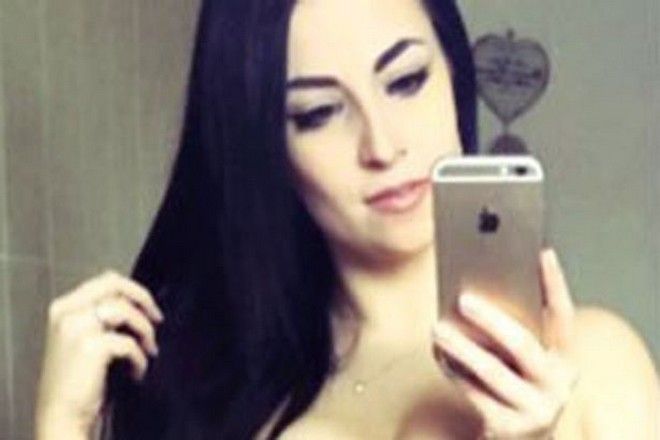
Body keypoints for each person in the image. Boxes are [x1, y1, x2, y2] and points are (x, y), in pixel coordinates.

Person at [35, 0, 660, 438]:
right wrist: (61, 425)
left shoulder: (592, 365)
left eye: (406, 81)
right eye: (318, 113)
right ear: (265, 148)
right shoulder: (222, 386)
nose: (382, 146)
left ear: (454, 75)